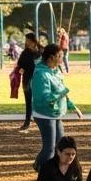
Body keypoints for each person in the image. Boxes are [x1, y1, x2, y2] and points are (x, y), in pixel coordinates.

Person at [31, 42, 84, 172]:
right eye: (60, 55)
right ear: (51, 57)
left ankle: (49, 168)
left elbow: (62, 92)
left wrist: (73, 107)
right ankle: (41, 169)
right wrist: (61, 93)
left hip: (56, 114)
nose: (63, 57)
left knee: (60, 145)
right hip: (44, 114)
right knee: (49, 148)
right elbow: (42, 98)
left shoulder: (56, 70)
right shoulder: (41, 74)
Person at [15, 33, 41, 131]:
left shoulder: (41, 50)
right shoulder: (25, 52)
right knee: (28, 101)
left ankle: (41, 121)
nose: (26, 42)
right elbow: (20, 63)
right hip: (28, 79)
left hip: (39, 80)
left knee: (39, 100)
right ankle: (27, 122)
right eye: (26, 40)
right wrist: (21, 68)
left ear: (33, 41)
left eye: (28, 40)